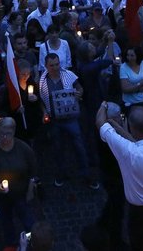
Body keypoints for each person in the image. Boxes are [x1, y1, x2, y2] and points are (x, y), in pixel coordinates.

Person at [96, 102, 143, 251]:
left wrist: (103, 105)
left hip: (141, 215)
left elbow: (99, 122)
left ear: (131, 127)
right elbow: (137, 143)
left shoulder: (129, 153)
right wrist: (118, 128)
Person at [37, 52, 96, 189]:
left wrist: (79, 93)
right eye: (52, 65)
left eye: (57, 64)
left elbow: (79, 87)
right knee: (58, 148)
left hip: (71, 118)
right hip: (54, 120)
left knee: (79, 146)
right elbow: (42, 100)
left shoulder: (68, 75)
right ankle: (61, 173)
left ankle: (86, 174)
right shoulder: (43, 81)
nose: (55, 67)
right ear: (46, 66)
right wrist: (44, 112)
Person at [0, 117, 39, 249]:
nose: (4, 137)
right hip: (1, 197)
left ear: (14, 132)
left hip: (20, 194)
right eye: (2, 134)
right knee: (6, 222)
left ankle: (29, 240)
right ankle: (11, 244)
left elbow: (33, 171)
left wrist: (30, 189)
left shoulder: (24, 149)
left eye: (8, 134)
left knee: (28, 221)